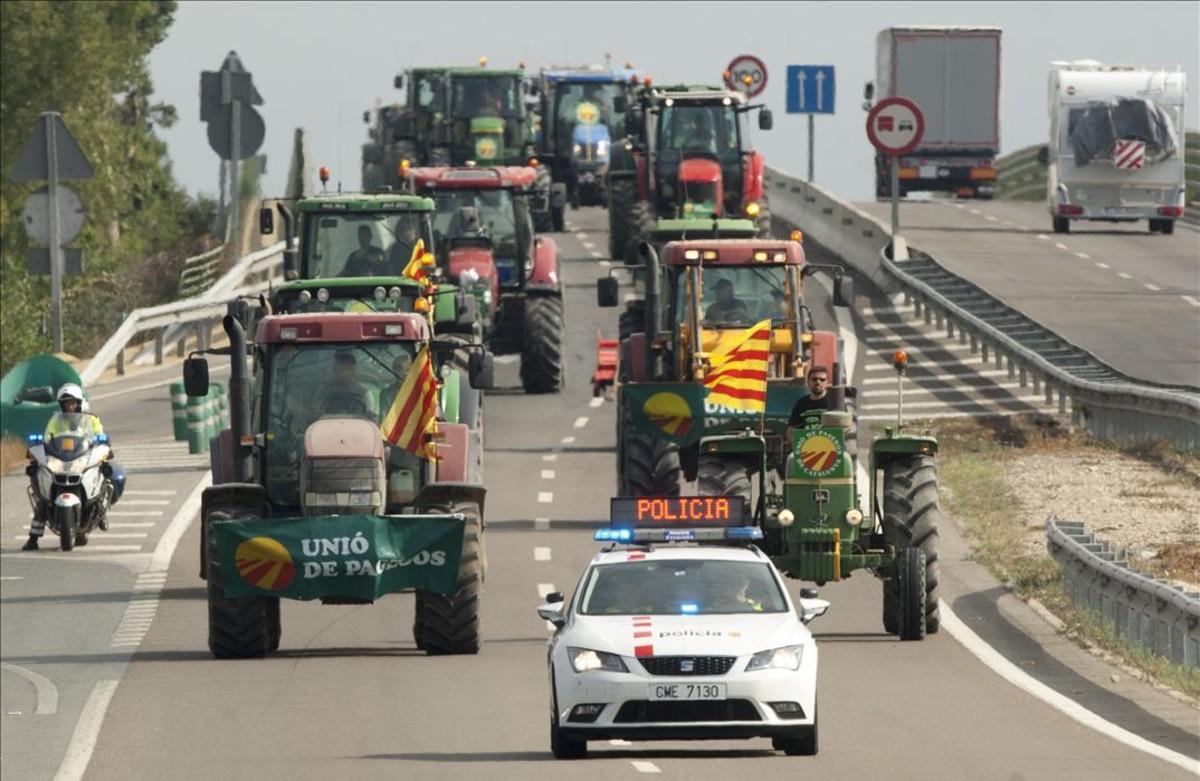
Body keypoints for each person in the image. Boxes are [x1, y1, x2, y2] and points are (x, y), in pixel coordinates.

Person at [23, 384, 108, 551]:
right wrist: (40, 450)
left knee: (105, 475)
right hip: (61, 459)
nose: (70, 406)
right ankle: (33, 539)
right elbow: (48, 437)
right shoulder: (56, 420)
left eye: (73, 403)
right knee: (42, 495)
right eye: (66, 403)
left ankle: (102, 512)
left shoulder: (91, 419)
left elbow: (100, 437)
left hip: (82, 458)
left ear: (79, 403)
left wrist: (102, 444)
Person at [314, 352, 376, 419]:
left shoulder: (364, 393)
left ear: (352, 370)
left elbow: (371, 417)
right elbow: (315, 412)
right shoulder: (324, 392)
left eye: (342, 370)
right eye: (336, 370)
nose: (338, 373)